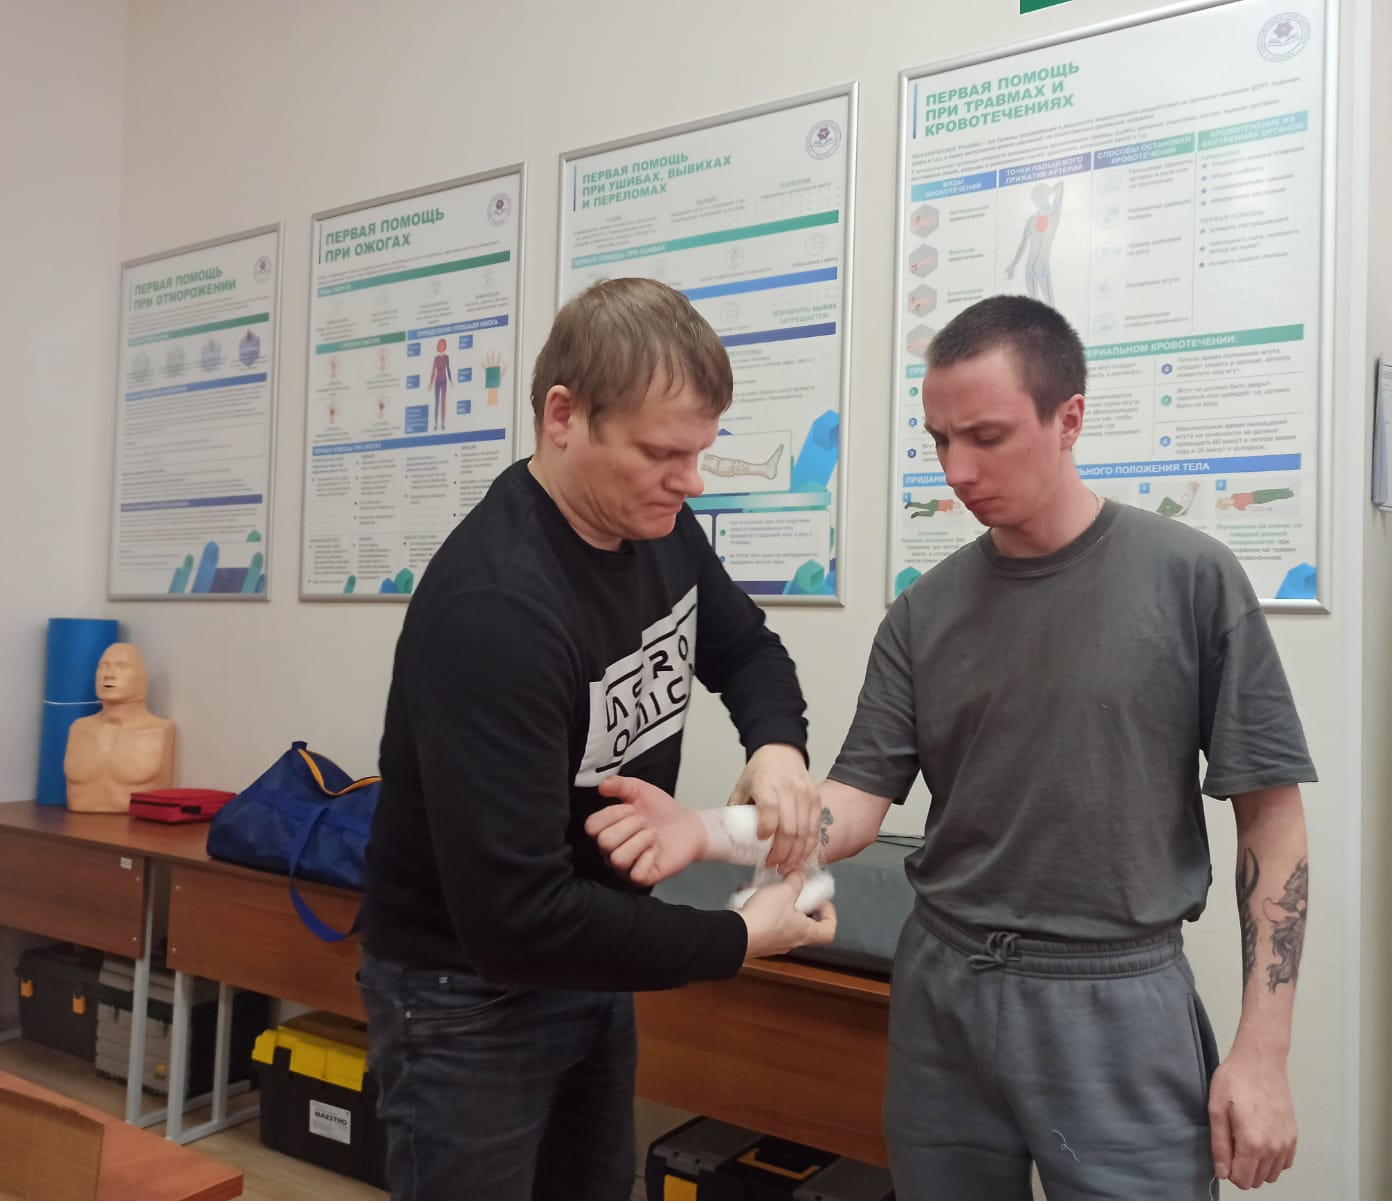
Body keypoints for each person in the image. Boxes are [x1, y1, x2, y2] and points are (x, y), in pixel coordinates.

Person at [589, 294, 1316, 1199]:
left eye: (986, 436)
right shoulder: (923, 613)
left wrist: (1262, 1052)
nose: (957, 470)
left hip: (1114, 1001)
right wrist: (699, 830)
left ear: (1069, 419)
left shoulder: (1191, 579)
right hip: (946, 993)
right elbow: (851, 810)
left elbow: (1272, 821)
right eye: (939, 439)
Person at [360, 277, 835, 1201]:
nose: (690, 481)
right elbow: (518, 917)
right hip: (468, 991)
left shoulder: (656, 525)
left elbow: (747, 650)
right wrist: (737, 935)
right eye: (663, 453)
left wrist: (777, 748)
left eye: (700, 452)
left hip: (592, 952)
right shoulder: (495, 608)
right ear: (563, 417)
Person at [62, 642, 175, 813]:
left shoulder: (160, 731)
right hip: (74, 822)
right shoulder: (78, 729)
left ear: (142, 678)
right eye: (103, 666)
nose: (109, 674)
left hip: (138, 826)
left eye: (122, 666)